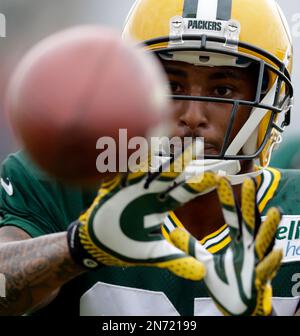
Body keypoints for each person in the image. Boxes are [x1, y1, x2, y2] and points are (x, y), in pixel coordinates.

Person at [0, 0, 299, 316]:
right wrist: (79, 247)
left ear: (270, 101)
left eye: (222, 90)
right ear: (133, 88)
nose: (193, 115)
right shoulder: (66, 182)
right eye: (171, 85)